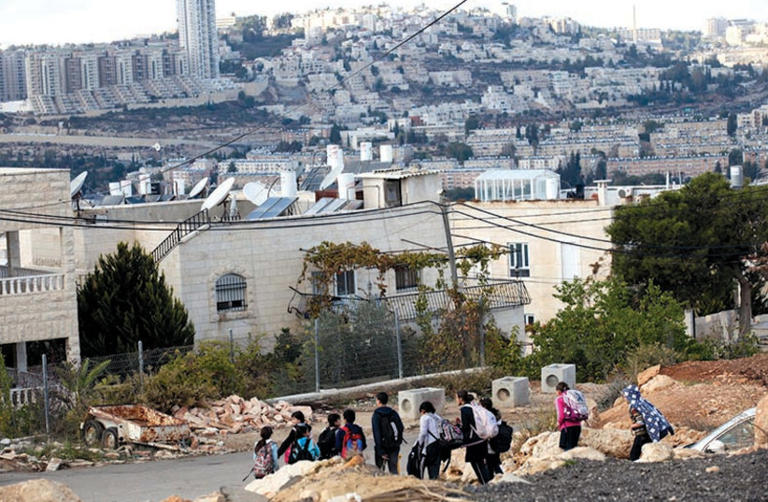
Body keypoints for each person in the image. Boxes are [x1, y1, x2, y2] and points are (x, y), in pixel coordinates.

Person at [622, 385, 674, 461]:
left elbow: (641, 422)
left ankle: (634, 464)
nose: (624, 399)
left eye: (625, 397)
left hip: (643, 434)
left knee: (634, 453)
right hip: (648, 432)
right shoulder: (642, 402)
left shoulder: (634, 407)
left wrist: (632, 426)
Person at [456, 390, 492, 484]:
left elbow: (466, 427)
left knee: (476, 464)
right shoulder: (474, 407)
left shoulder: (464, 410)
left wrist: (459, 426)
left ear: (460, 399)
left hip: (474, 442)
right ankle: (488, 483)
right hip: (482, 438)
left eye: (456, 398)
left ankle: (486, 484)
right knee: (481, 464)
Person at [372, 392, 404, 474]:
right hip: (394, 446)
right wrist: (397, 442)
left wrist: (380, 451)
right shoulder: (393, 413)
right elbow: (401, 427)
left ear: (378, 401)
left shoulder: (376, 415)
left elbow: (377, 434)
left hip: (382, 446)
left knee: (380, 471)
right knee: (393, 470)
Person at [417, 401, 441, 480]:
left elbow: (423, 433)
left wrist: (419, 444)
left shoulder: (424, 417)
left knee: (423, 466)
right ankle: (435, 481)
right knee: (435, 467)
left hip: (430, 445)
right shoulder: (437, 417)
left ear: (423, 410)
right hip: (439, 443)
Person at [555, 382, 581, 451]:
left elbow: (561, 415)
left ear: (559, 391)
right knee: (573, 450)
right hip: (578, 426)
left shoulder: (559, 399)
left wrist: (559, 424)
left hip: (567, 427)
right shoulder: (573, 397)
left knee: (567, 450)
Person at [480, 397, 503, 475]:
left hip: (490, 443)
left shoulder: (487, 416)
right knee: (494, 463)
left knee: (491, 464)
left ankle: (493, 480)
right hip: (497, 442)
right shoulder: (496, 413)